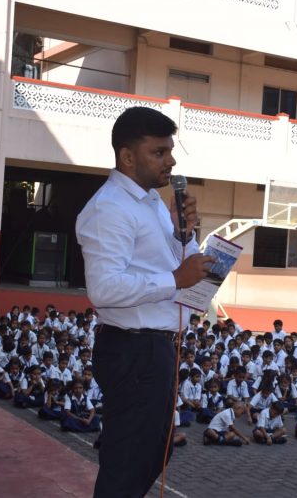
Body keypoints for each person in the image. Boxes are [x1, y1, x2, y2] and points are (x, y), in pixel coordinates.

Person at [76, 107, 213, 497]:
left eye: (170, 151)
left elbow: (174, 263)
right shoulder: (110, 208)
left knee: (153, 451)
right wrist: (175, 279)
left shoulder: (150, 202)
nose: (171, 161)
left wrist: (183, 235)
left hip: (155, 349)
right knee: (128, 463)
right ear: (128, 156)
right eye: (159, 152)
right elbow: (104, 288)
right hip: (133, 349)